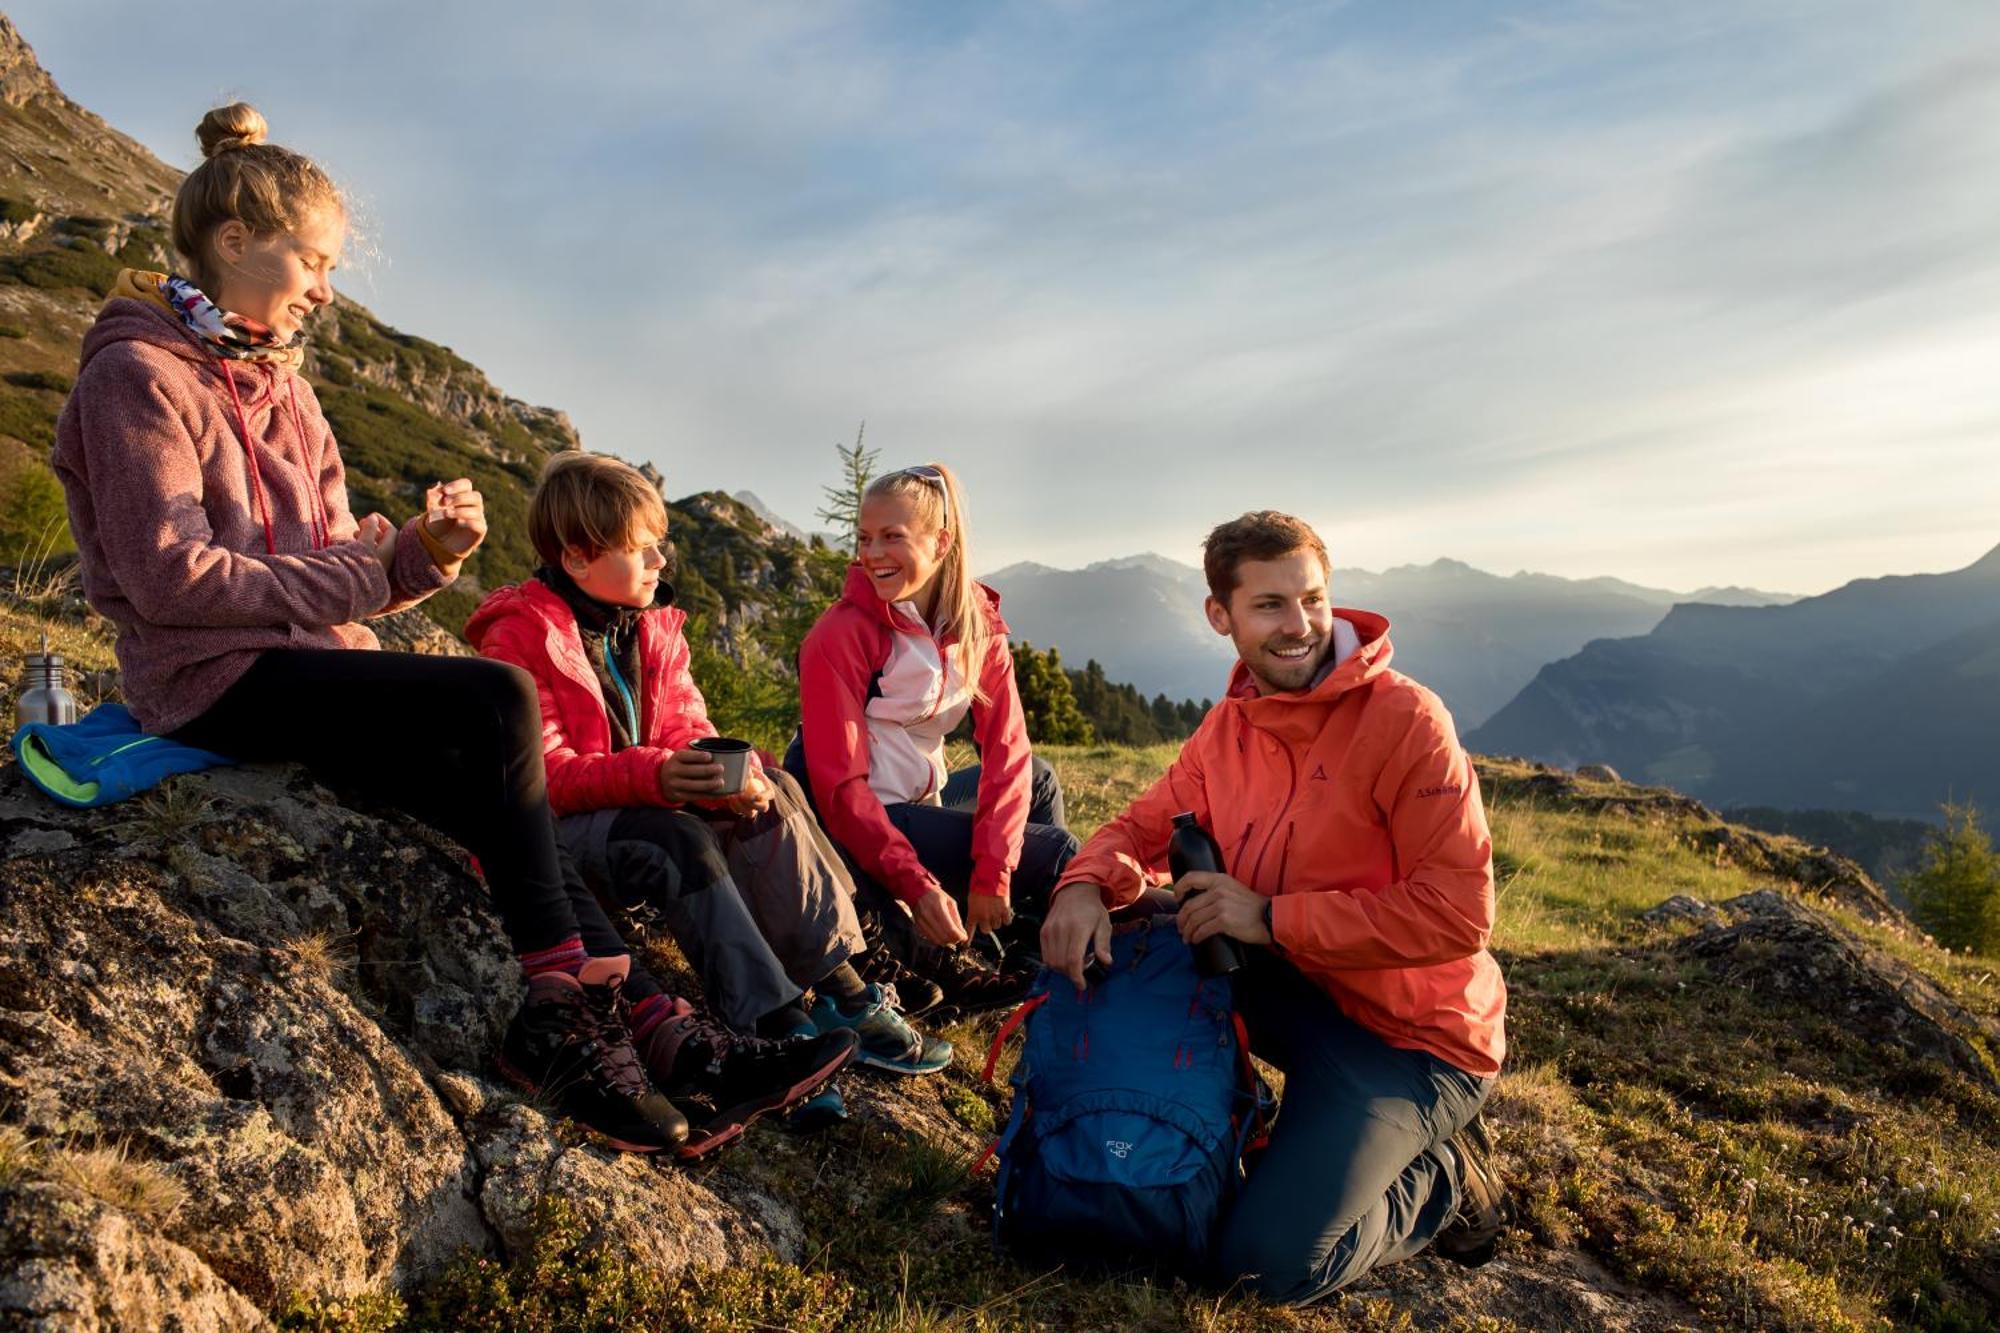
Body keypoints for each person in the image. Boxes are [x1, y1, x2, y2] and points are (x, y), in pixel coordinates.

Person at [49, 102, 851, 1157]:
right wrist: (368, 568)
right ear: (236, 242)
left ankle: (662, 1030)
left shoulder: (290, 394)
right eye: (316, 260)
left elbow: (348, 571)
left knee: (493, 796)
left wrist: (422, 557)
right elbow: (169, 580)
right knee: (495, 696)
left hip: (308, 663)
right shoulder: (136, 377)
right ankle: (570, 1009)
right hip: (206, 674)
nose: (327, 290)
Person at [1039, 510, 1509, 1304]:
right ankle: (1209, 1121)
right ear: (1220, 615)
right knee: (1151, 925)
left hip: (1413, 1042)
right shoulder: (1229, 730)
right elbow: (1138, 828)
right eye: (1270, 606)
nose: (1300, 627)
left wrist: (1272, 916)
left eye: (1313, 600)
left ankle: (1443, 1179)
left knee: (1261, 1266)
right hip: (1295, 989)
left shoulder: (1406, 721)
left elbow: (1458, 913)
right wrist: (1082, 885)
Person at [465, 451, 950, 1081]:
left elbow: (687, 727)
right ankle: (773, 1025)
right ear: (579, 557)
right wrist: (657, 777)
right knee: (675, 835)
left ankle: (843, 990)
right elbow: (545, 774)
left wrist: (720, 779)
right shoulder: (522, 634)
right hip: (562, 840)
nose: (660, 562)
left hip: (635, 806)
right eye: (642, 549)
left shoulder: (654, 626)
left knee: (771, 788)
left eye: (659, 545)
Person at [788, 462, 1078, 1009]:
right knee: (1061, 852)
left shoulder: (974, 625)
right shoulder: (842, 634)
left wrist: (995, 870)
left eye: (892, 537)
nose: (872, 554)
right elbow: (842, 792)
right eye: (865, 538)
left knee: (1039, 781)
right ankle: (1036, 964)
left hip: (922, 799)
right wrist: (917, 886)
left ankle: (1016, 949)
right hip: (867, 814)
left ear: (941, 542)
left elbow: (1009, 752)